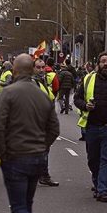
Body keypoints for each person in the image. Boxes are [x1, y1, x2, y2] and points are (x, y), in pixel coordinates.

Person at [0, 53, 63, 213]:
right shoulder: (43, 96)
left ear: (14, 70)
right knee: (27, 206)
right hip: (37, 158)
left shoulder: (9, 93)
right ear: (32, 70)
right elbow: (54, 129)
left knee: (19, 208)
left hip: (16, 157)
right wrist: (43, 147)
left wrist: (3, 152)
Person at [73, 51, 107, 203]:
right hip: (91, 127)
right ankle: (97, 184)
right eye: (103, 61)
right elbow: (77, 99)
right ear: (98, 64)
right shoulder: (88, 79)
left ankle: (103, 191)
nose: (105, 64)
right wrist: (85, 106)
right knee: (93, 159)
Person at [34, 59, 59, 187]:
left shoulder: (42, 81)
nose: (41, 70)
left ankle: (42, 174)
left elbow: (52, 93)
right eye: (38, 67)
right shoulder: (31, 82)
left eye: (43, 67)